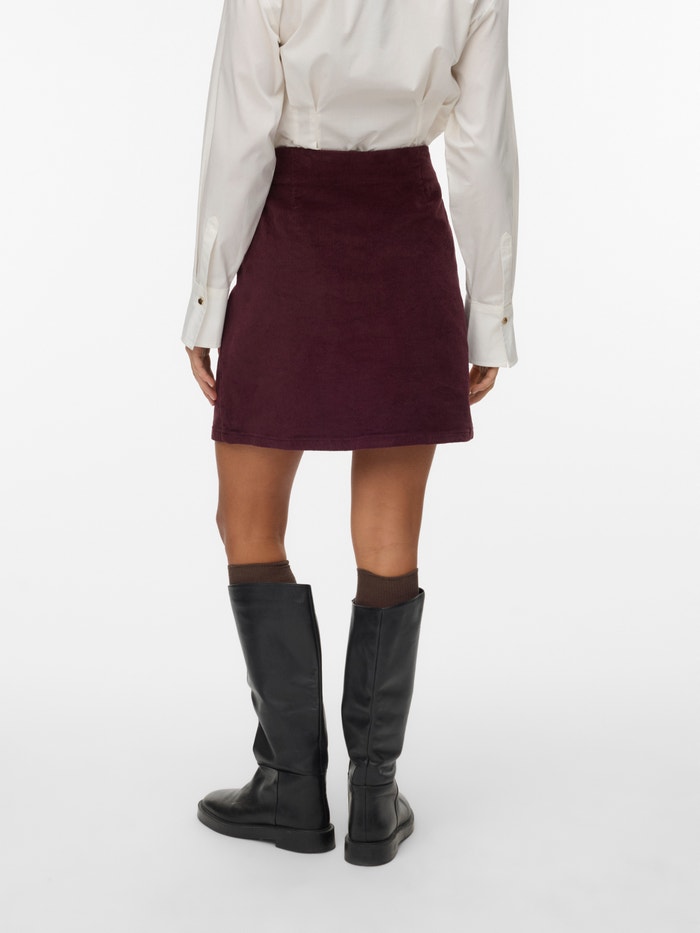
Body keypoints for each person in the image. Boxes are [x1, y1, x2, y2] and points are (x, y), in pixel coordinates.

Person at [181, 0, 519, 867]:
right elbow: (481, 148)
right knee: (391, 532)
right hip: (406, 240)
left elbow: (240, 135)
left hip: (289, 239)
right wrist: (488, 315)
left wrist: (208, 297)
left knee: (247, 521)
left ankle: (292, 784)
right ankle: (373, 795)